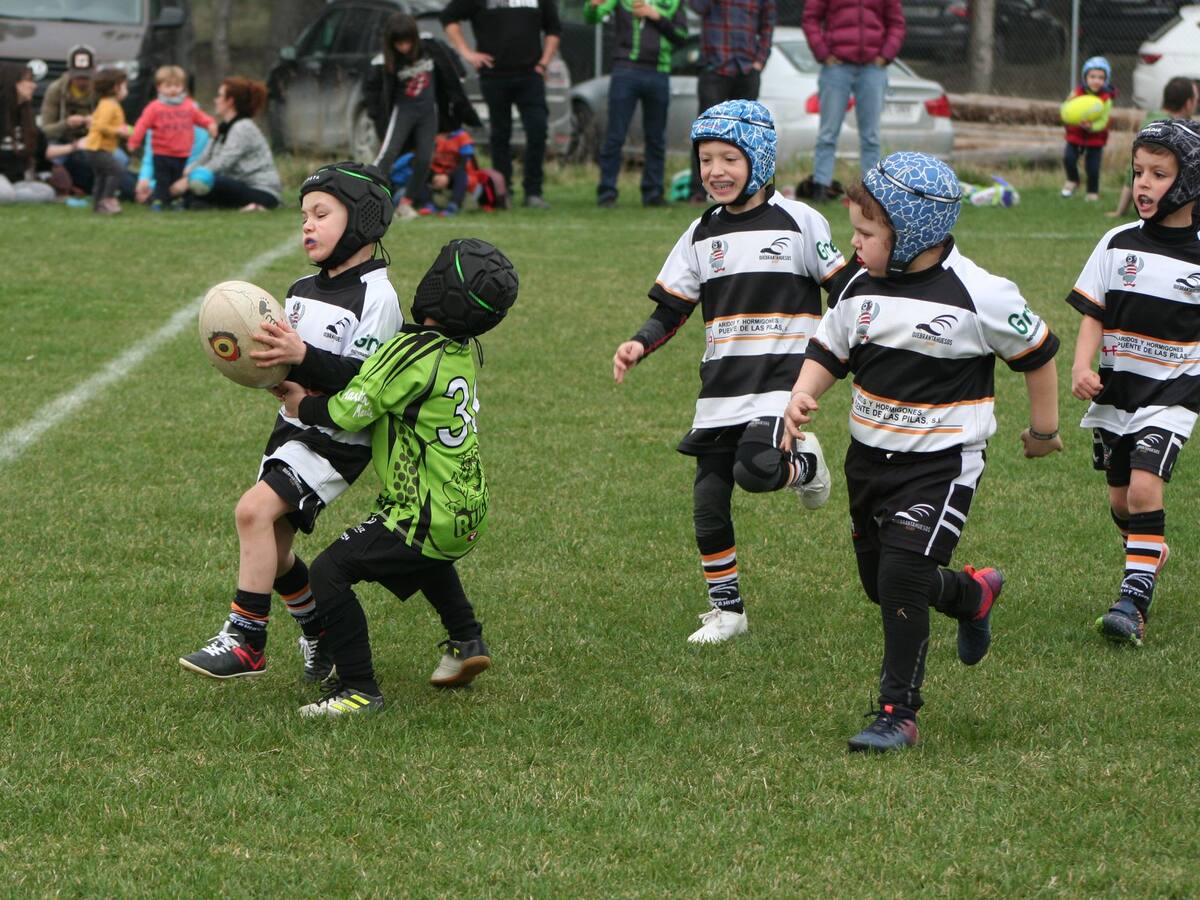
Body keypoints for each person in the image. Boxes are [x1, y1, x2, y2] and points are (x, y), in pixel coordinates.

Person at [784, 151, 1062, 753]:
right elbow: (830, 348)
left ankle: (897, 712)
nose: (853, 246)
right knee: (881, 583)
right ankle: (971, 594)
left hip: (942, 465)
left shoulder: (980, 293)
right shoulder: (860, 286)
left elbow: (1037, 353)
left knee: (903, 575)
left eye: (866, 233)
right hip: (869, 460)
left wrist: (1043, 431)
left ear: (912, 234)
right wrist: (803, 395)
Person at [612, 100, 848, 644]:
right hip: (721, 389)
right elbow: (672, 309)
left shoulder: (800, 222)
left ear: (759, 160)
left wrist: (848, 353)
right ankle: (728, 610)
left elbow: (846, 291)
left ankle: (805, 467)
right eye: (705, 160)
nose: (715, 171)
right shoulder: (699, 233)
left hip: (782, 382)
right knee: (708, 501)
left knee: (757, 469)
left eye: (728, 159)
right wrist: (638, 344)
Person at [273, 238, 520, 716]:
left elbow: (354, 408)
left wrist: (302, 404)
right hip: (465, 506)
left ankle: (357, 688)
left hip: (422, 510)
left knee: (329, 571)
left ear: (437, 289)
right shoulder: (460, 350)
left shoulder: (408, 350)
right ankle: (467, 640)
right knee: (425, 558)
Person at [179, 162, 402, 681]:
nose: (307, 225)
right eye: (304, 215)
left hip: (337, 438)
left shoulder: (378, 297)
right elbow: (287, 362)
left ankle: (246, 639)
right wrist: (268, 373)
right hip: (293, 425)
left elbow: (366, 380)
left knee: (252, 514)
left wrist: (301, 359)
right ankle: (320, 634)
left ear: (364, 220)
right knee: (275, 550)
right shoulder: (301, 288)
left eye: (321, 214)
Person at [1068, 119, 1200, 647]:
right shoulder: (1116, 241)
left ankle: (1132, 601)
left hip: (1174, 391)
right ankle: (1147, 547)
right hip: (1117, 392)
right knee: (1123, 501)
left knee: (1146, 487)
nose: (1143, 184)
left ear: (1189, 181)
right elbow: (1092, 314)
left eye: (1158, 174)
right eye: (1138, 172)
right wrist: (1082, 366)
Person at [441, 0, 561, 209]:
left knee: (537, 130)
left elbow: (554, 28)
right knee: (500, 135)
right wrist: (467, 53)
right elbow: (448, 18)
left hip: (530, 75)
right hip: (494, 76)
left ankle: (533, 192)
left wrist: (544, 62)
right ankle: (502, 192)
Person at [364, 12, 479, 221]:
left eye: (407, 42)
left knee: (425, 159)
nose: (404, 48)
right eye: (399, 43)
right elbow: (374, 90)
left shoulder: (430, 47)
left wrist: (458, 102)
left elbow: (451, 68)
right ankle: (365, 199)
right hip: (404, 112)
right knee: (388, 154)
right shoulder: (385, 61)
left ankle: (406, 204)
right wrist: (378, 115)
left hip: (428, 112)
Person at [801, 0, 905, 204]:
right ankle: (821, 187)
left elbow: (897, 23)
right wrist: (823, 52)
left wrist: (886, 55)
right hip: (836, 68)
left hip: (873, 68)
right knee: (828, 133)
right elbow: (810, 18)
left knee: (871, 136)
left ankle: (871, 191)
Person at [586, 0, 688, 208]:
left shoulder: (673, 2)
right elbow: (592, 17)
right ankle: (607, 193)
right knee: (615, 134)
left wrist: (655, 15)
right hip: (625, 70)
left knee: (656, 137)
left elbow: (682, 36)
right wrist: (592, 6)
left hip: (659, 72)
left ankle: (653, 193)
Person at [685, 0, 775, 203]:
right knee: (704, 133)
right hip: (714, 67)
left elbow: (768, 25)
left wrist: (760, 60)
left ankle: (748, 189)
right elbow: (697, 7)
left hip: (747, 69)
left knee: (749, 135)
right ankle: (698, 191)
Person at [174, 77, 282, 211]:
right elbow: (206, 157)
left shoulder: (243, 127)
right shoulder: (223, 128)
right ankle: (195, 202)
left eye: (219, 96)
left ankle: (197, 201)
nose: (215, 100)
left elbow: (223, 163)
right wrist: (186, 172)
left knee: (211, 181)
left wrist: (191, 179)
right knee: (183, 178)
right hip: (236, 185)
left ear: (230, 101)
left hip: (261, 191)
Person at [128, 65, 217, 210]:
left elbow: (202, 118)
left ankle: (177, 202)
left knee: (177, 179)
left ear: (183, 87)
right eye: (168, 86)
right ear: (159, 88)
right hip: (162, 153)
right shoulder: (154, 108)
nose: (173, 89)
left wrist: (211, 124)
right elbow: (142, 124)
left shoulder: (189, 107)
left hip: (182, 155)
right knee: (162, 181)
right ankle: (158, 202)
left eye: (177, 85)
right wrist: (134, 141)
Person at [1108, 76, 1198, 219]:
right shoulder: (1167, 131)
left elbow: (1131, 170)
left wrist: (1120, 211)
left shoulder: (1152, 120)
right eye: (1196, 100)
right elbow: (1132, 170)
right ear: (1188, 103)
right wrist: (1120, 211)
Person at [40, 45, 98, 195]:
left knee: (119, 159)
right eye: (78, 76)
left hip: (93, 140)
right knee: (51, 159)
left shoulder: (100, 90)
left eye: (86, 77)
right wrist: (66, 124)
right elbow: (45, 129)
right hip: (62, 141)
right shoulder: (55, 90)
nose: (82, 81)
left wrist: (96, 123)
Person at [1062, 56, 1116, 202]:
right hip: (1075, 134)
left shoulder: (1106, 98)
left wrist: (1092, 127)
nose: (1096, 80)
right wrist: (1068, 115)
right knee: (1068, 158)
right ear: (1085, 77)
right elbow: (1066, 109)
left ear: (1106, 80)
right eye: (1092, 76)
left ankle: (1092, 192)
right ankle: (1073, 180)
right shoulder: (1076, 93)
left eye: (1101, 77)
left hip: (1095, 137)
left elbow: (1104, 121)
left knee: (1092, 167)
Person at [78, 68, 131, 215]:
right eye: (125, 86)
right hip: (97, 148)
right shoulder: (110, 105)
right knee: (116, 170)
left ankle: (98, 205)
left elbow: (96, 121)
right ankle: (107, 200)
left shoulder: (105, 103)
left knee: (101, 176)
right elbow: (101, 125)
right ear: (116, 87)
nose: (127, 90)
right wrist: (118, 131)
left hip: (96, 148)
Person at [0, 63, 54, 203]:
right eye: (29, 81)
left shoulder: (26, 116)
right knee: (5, 194)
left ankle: (11, 195)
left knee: (47, 193)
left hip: (15, 180)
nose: (34, 86)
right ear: (13, 83)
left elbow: (42, 149)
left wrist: (75, 146)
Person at [134, 124, 209, 207]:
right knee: (127, 179)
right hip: (160, 177)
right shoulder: (153, 126)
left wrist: (154, 187)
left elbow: (192, 166)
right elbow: (149, 159)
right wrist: (144, 180)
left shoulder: (200, 132)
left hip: (183, 179)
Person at [416, 128, 476, 215]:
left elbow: (463, 164)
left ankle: (454, 205)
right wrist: (435, 176)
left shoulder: (462, 137)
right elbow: (426, 160)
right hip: (436, 173)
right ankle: (428, 205)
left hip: (455, 174)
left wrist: (447, 176)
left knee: (461, 174)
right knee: (420, 172)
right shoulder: (433, 134)